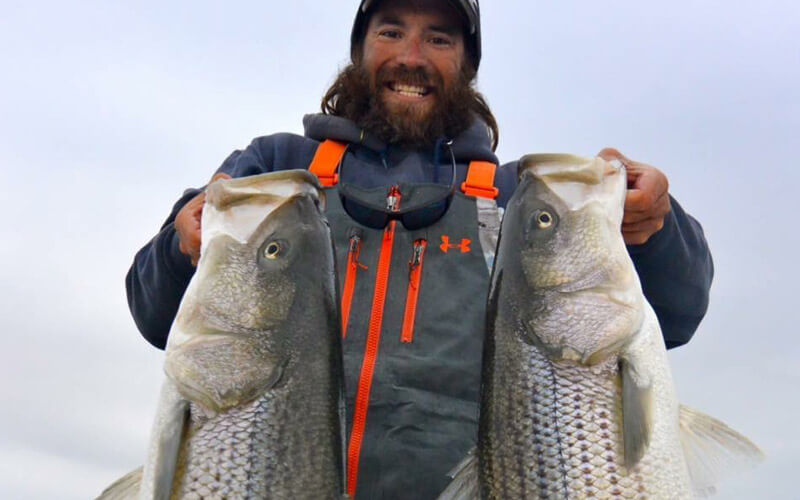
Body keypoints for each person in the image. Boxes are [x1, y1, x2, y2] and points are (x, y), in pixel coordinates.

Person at [126, 1, 714, 498]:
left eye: (438, 37)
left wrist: (655, 225)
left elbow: (680, 309)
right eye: (390, 31)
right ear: (360, 50)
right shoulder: (277, 174)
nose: (411, 56)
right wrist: (181, 244)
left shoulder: (519, 201)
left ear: (467, 64)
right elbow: (154, 313)